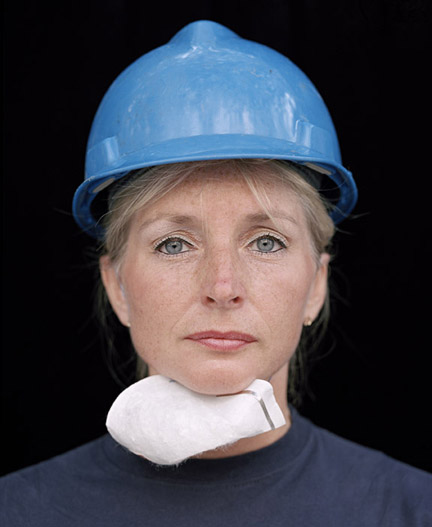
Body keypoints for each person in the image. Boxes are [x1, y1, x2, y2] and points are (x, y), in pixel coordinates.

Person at [1, 19, 431, 526]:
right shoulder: (19, 511)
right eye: (175, 244)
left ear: (316, 284)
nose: (222, 287)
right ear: (117, 285)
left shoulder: (411, 509)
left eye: (266, 242)